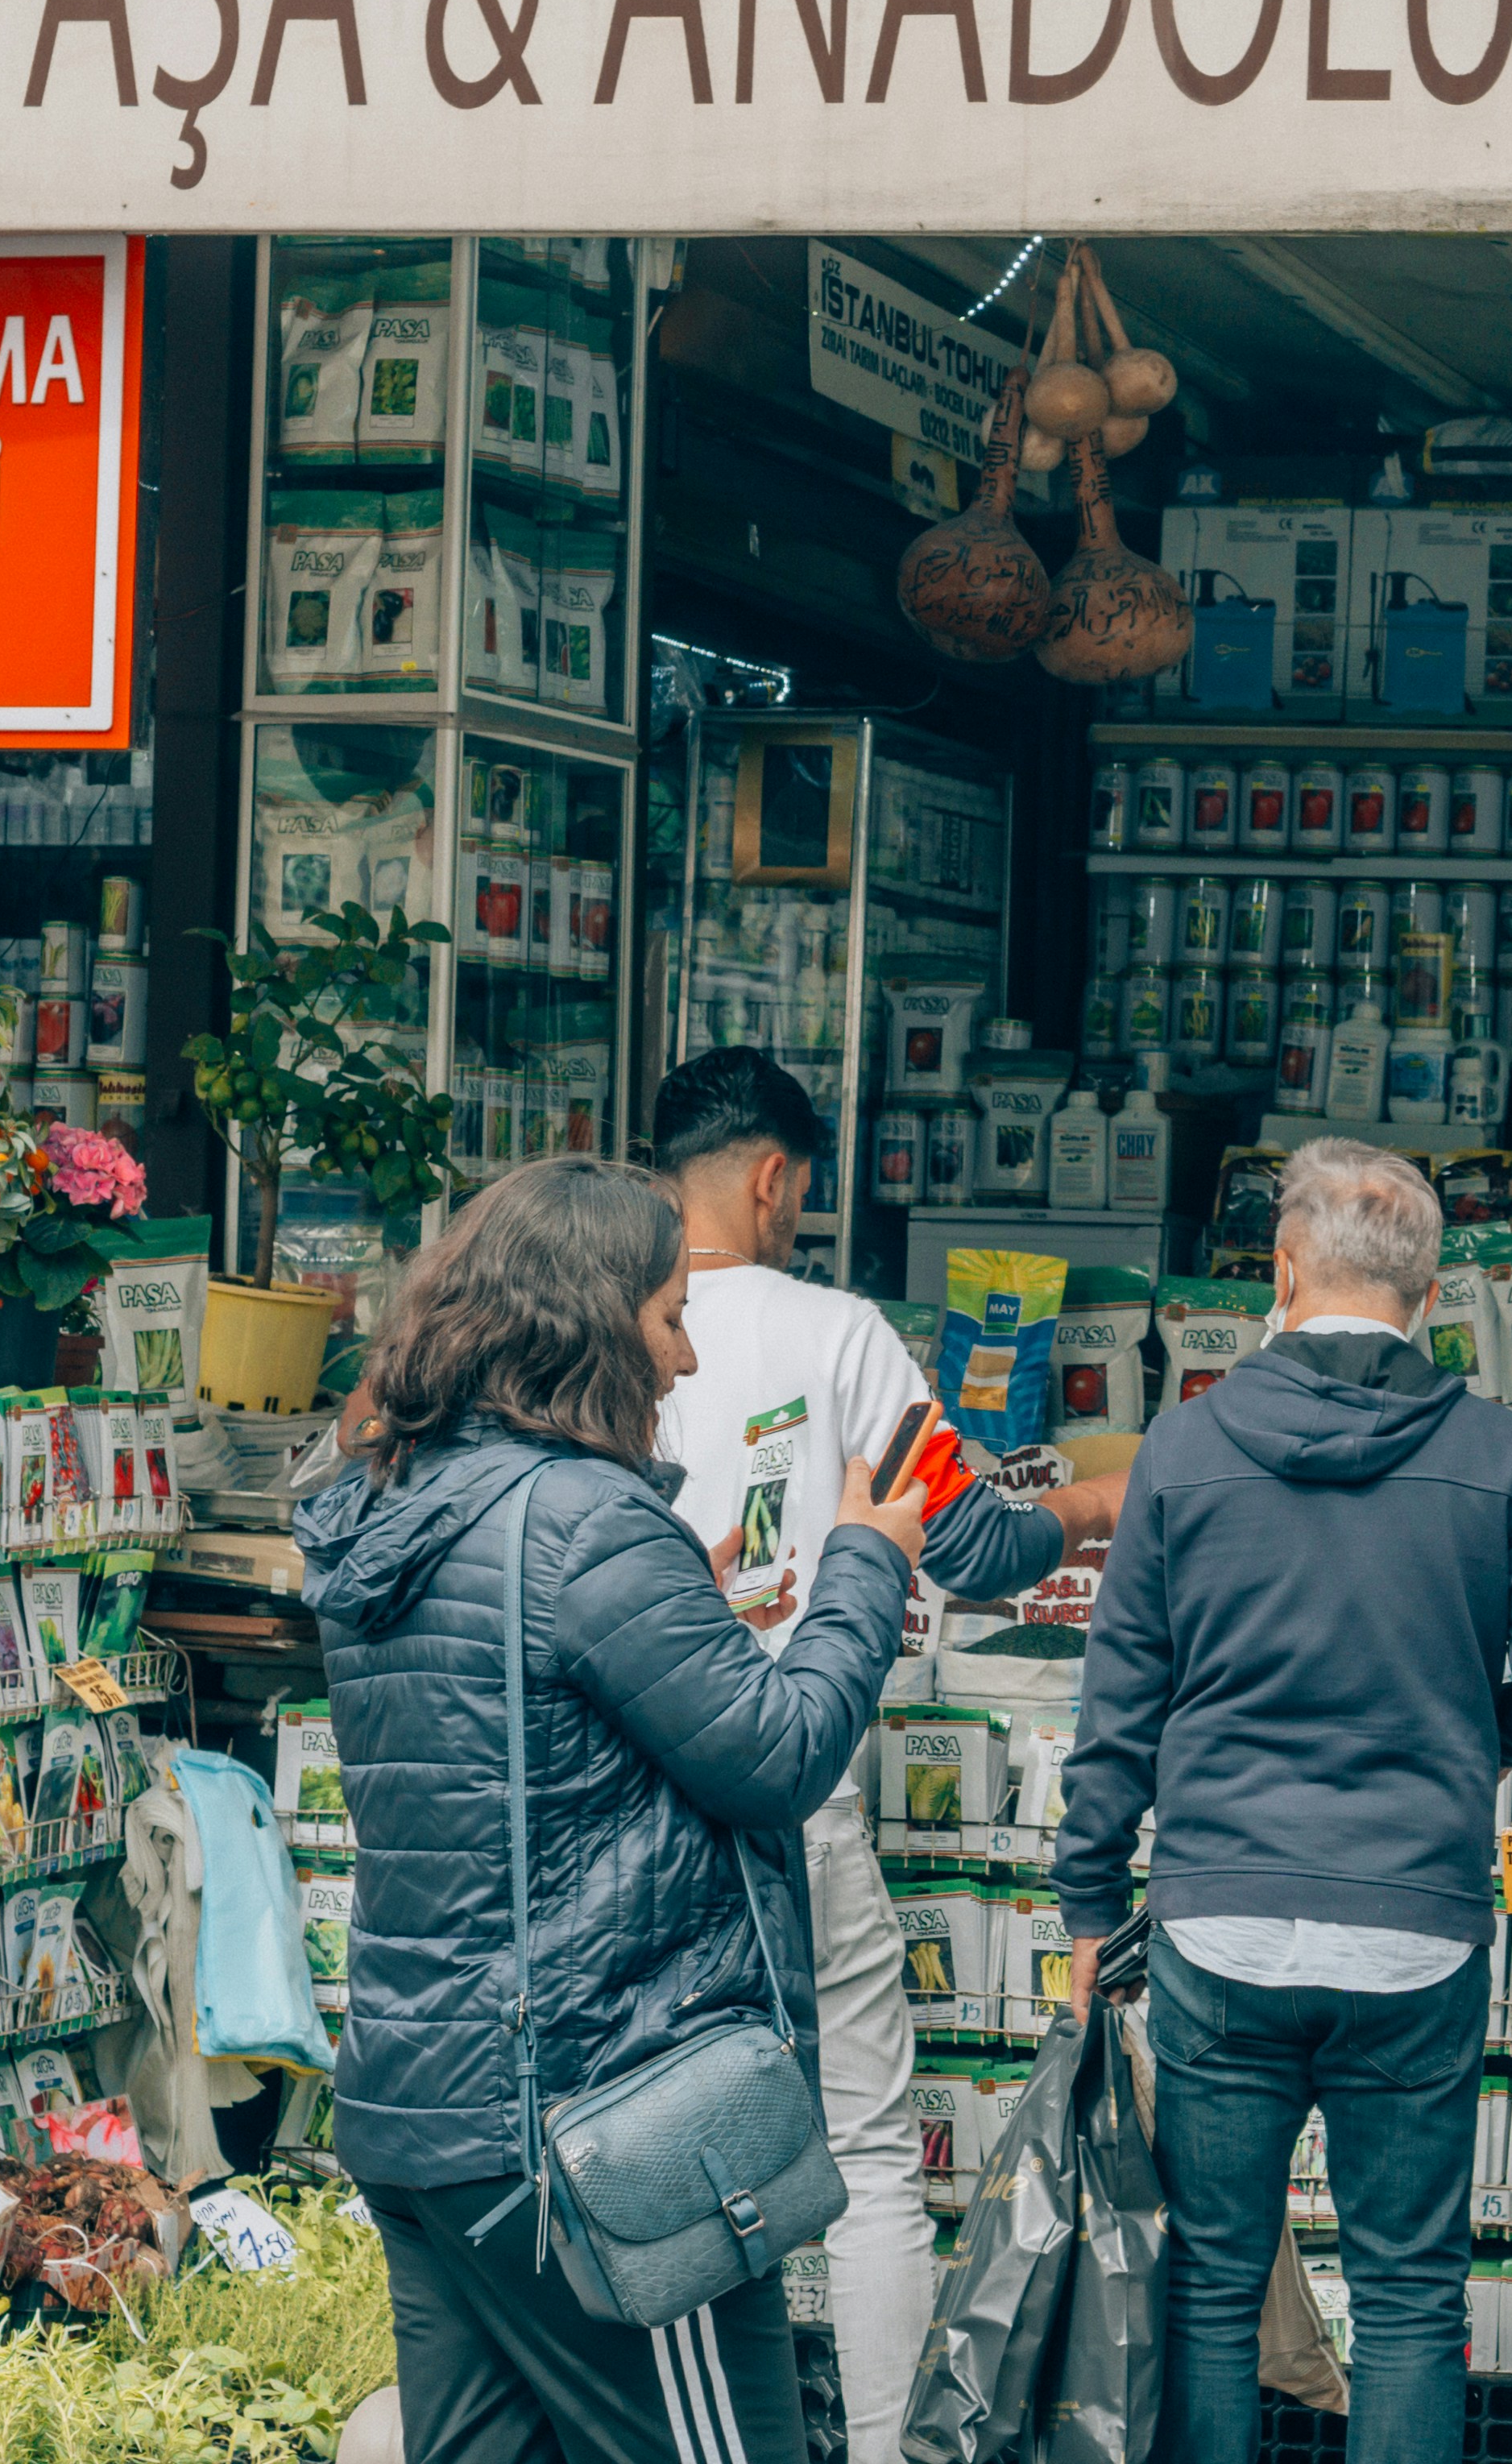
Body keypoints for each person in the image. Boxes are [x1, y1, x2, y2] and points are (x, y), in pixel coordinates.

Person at [301, 1153, 928, 2464]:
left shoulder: (387, 1506)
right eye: (669, 1318)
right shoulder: (585, 1524)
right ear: (592, 1323)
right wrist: (867, 1565)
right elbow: (778, 1755)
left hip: (429, 2124)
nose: (686, 1360)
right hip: (596, 2138)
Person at [1055, 1138, 1512, 2464]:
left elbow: (1117, 1703)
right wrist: (1459, 1736)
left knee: (1208, 2286)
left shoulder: (1186, 1448)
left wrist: (1089, 1906)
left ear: (1282, 1272)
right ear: (1432, 1291)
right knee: (1409, 2300)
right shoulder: (1499, 1450)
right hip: (1414, 1929)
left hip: (1221, 1927)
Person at [643, 1046, 1127, 2464]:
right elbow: (969, 1544)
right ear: (774, 1175)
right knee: (862, 2152)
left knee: (661, 2138)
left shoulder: (590, 1316)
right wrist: (1105, 1499)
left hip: (631, 1800)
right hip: (796, 1792)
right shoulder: (841, 1334)